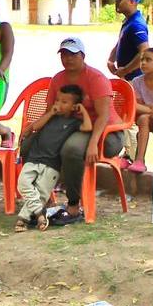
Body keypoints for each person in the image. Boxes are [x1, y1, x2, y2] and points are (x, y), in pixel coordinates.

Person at [49, 37, 119, 223]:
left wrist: (94, 143)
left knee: (71, 149)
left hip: (107, 132)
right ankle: (41, 199)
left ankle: (73, 206)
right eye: (64, 54)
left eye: (73, 54)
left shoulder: (96, 78)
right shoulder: (58, 79)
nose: (68, 58)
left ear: (83, 56)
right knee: (34, 143)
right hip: (75, 127)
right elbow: (51, 110)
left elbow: (103, 116)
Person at [15, 85, 91, 232]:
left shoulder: (73, 123)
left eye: (64, 102)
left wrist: (83, 111)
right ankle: (39, 213)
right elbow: (35, 126)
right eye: (57, 100)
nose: (58, 104)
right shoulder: (50, 117)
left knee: (42, 193)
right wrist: (50, 113)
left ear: (74, 106)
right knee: (23, 184)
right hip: (35, 158)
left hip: (52, 164)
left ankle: (23, 219)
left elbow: (88, 127)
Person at [107, 0, 150, 81]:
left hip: (135, 80)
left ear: (132, 2)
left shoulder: (137, 24)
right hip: (127, 78)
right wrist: (111, 60)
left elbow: (144, 51)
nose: (117, 2)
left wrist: (126, 70)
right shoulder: (128, 21)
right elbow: (121, 41)